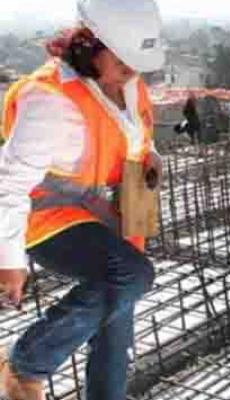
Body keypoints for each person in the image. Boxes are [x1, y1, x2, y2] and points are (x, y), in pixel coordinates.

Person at [0, 0, 164, 398]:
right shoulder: (50, 98)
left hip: (97, 214)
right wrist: (9, 263)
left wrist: (149, 162)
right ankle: (24, 365)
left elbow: (136, 138)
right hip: (44, 217)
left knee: (115, 323)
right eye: (123, 61)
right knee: (130, 275)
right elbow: (9, 184)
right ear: (90, 45)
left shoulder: (131, 85)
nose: (132, 71)